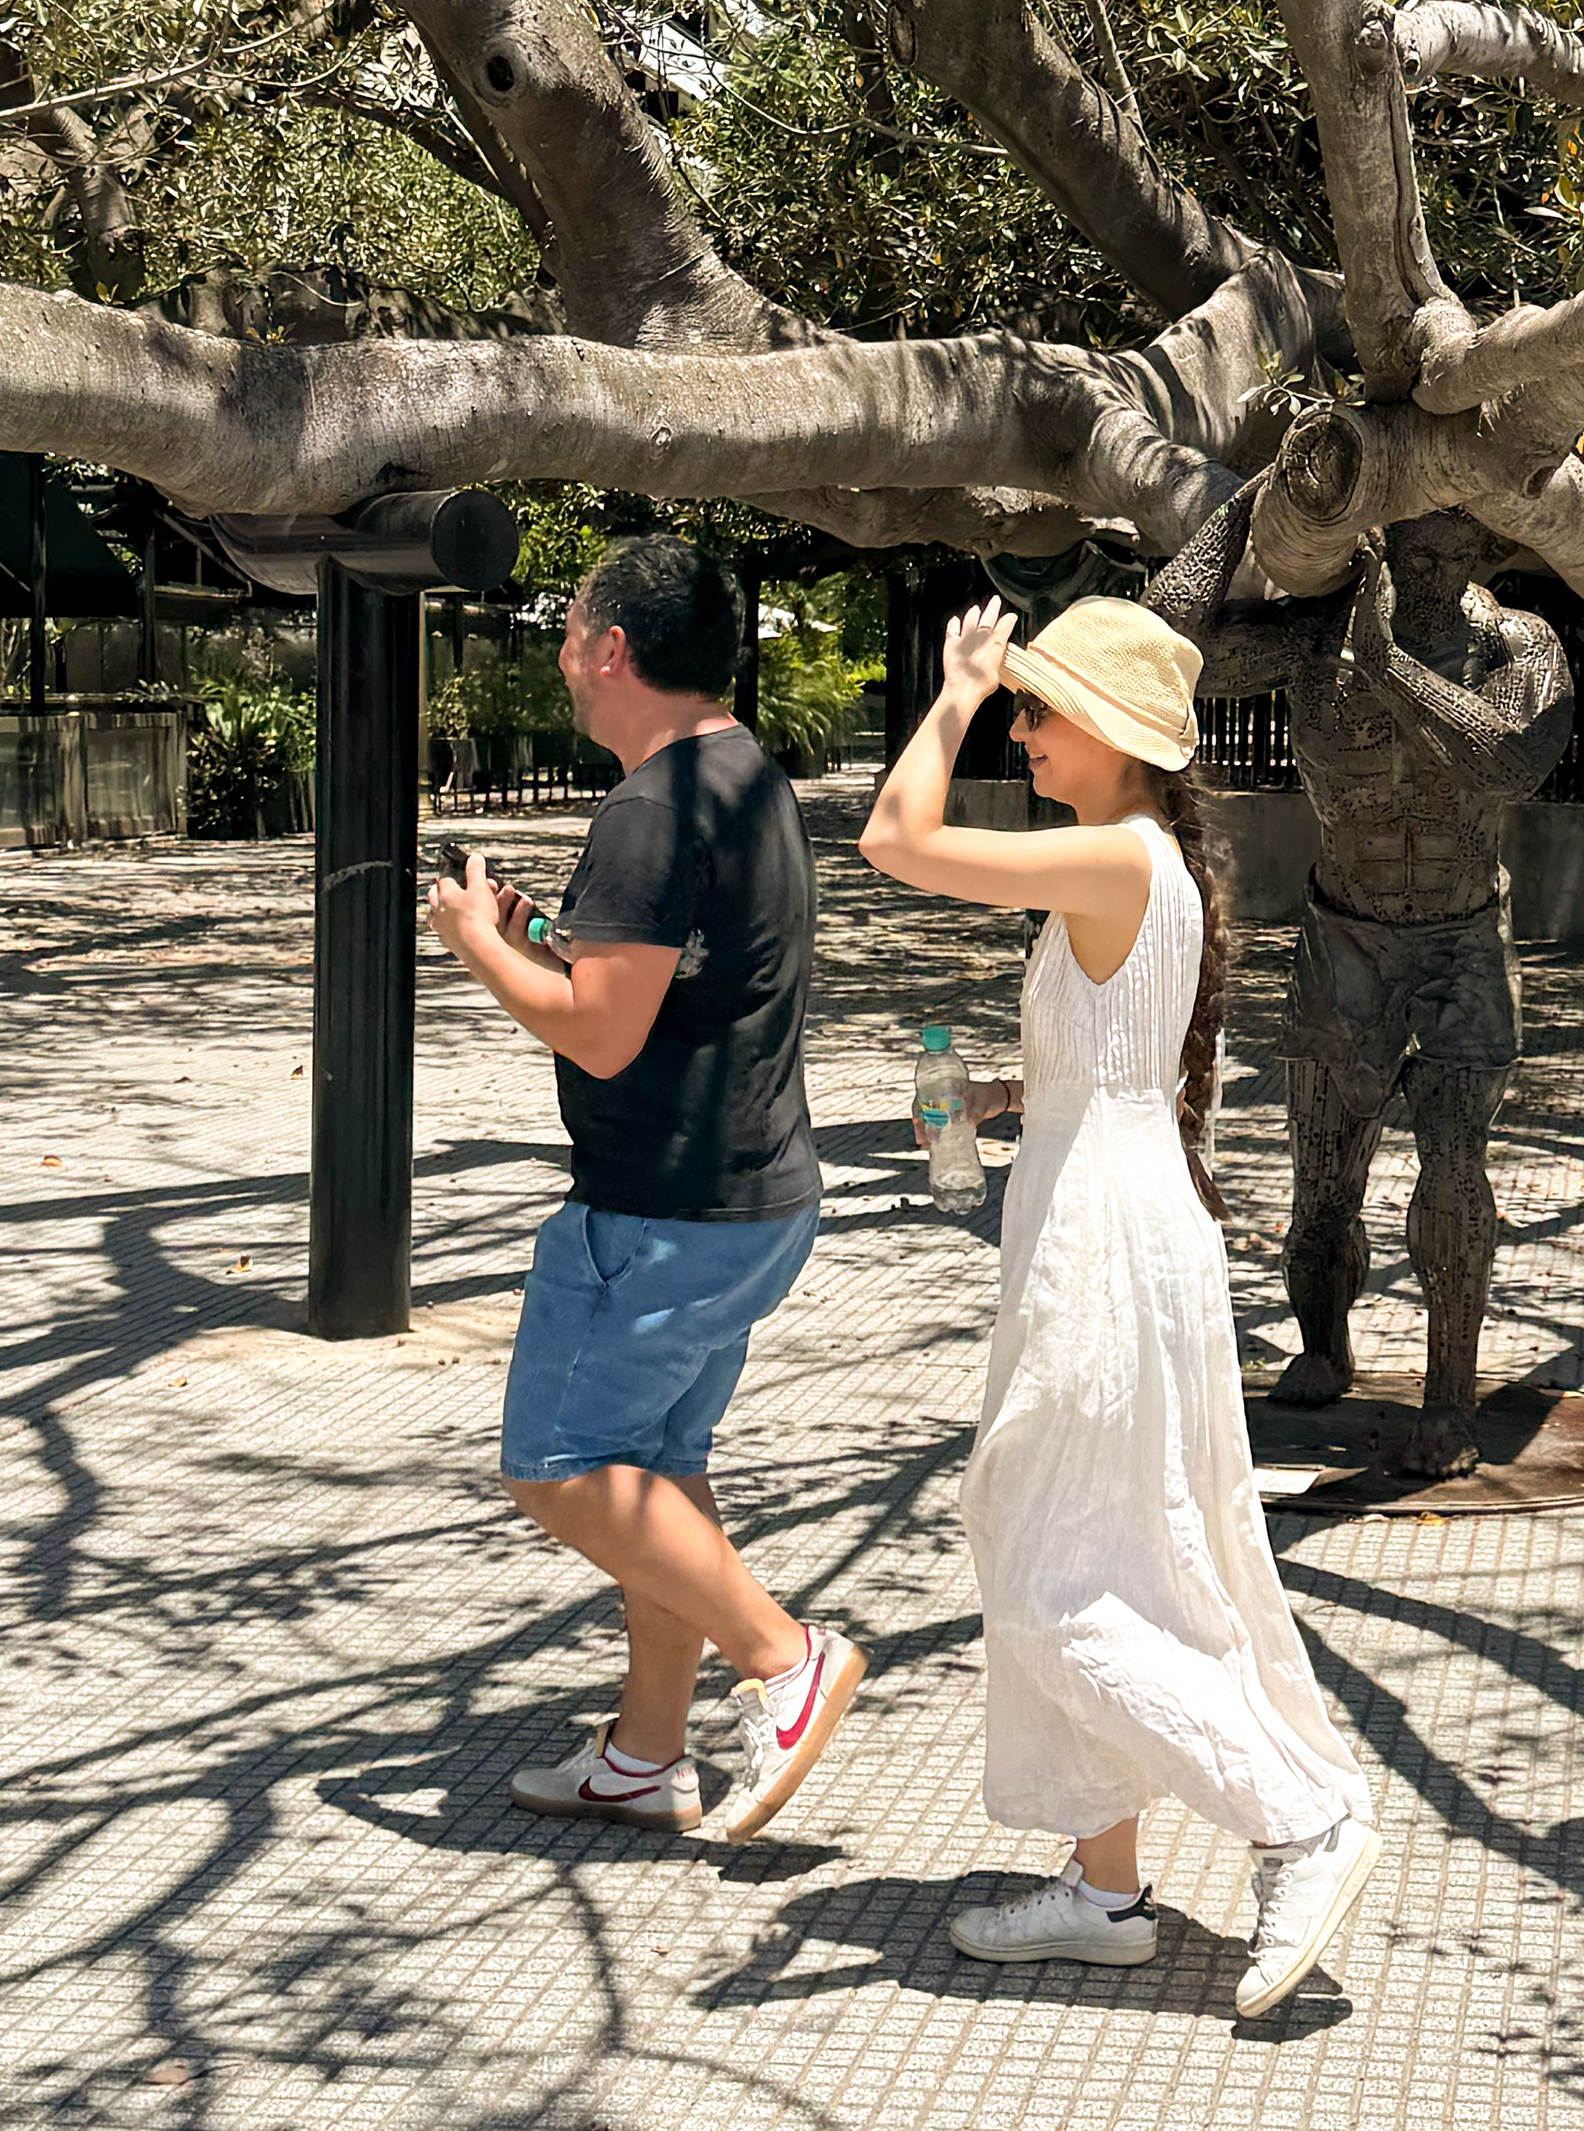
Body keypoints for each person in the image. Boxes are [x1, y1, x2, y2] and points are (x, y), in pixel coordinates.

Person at [859, 594, 1379, 2020]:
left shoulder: (1111, 850)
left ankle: (1296, 1814)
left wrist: (956, 685)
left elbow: (894, 840)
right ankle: (1103, 1887)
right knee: (1111, 1544)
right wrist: (997, 1095)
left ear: (1120, 736)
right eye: (1016, 704)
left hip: (1103, 1238)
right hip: (1115, 1212)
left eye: (1042, 707)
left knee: (1046, 1569)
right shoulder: (1148, 862)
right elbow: (1115, 1067)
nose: (1022, 727)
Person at [428, 534, 861, 1843]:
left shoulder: (648, 806)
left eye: (568, 629)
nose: (560, 654)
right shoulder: (745, 778)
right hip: (751, 1198)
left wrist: (471, 949)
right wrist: (544, 936)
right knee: (657, 1472)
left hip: (659, 1214)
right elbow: (670, 974)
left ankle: (785, 1660)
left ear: (612, 647)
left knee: (558, 1462)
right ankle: (645, 1751)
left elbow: (602, 1033)